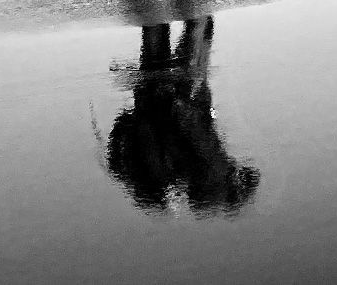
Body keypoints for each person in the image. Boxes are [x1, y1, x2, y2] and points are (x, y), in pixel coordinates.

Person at [104, 17, 262, 215]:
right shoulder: (181, 179)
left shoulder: (217, 170)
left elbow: (197, 134)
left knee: (199, 23)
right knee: (156, 34)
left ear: (236, 184)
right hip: (151, 105)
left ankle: (178, 1)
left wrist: (181, 104)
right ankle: (152, 4)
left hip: (181, 95)